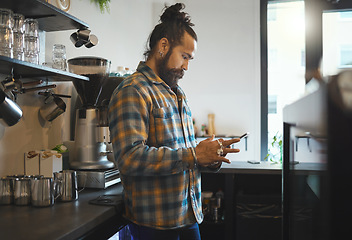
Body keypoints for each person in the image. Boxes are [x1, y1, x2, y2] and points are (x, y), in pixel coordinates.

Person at [108, 3, 240, 240]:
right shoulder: (133, 90)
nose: (187, 66)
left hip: (188, 217)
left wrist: (209, 158)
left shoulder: (177, 94)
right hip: (154, 225)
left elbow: (186, 155)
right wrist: (195, 155)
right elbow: (129, 158)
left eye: (190, 59)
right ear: (163, 46)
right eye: (185, 56)